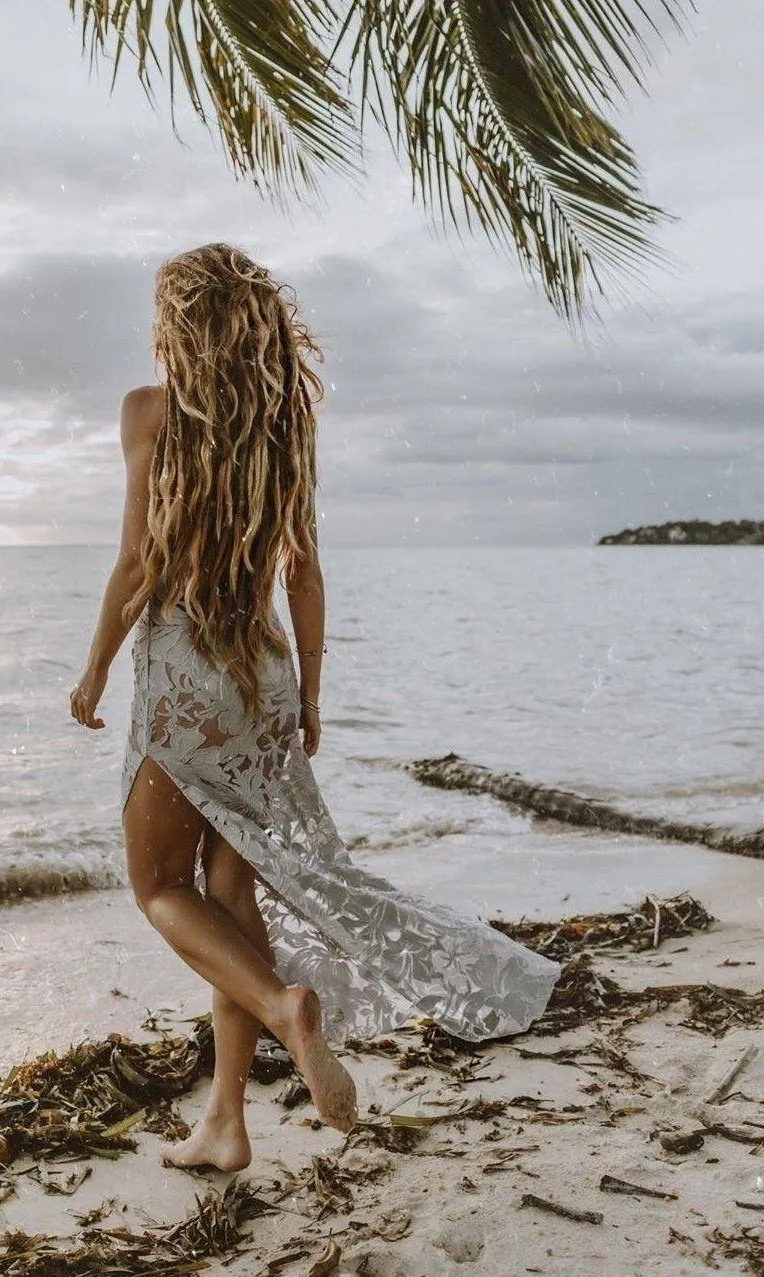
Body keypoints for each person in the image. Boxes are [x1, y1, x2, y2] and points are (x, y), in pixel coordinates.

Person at [69, 243, 562, 1171]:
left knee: (158, 887)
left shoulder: (148, 413)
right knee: (229, 893)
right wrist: (313, 699)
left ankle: (286, 1007)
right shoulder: (280, 428)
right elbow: (306, 573)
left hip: (183, 675)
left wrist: (94, 667)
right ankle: (224, 1120)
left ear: (179, 325)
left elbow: (138, 563)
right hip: (263, 676)